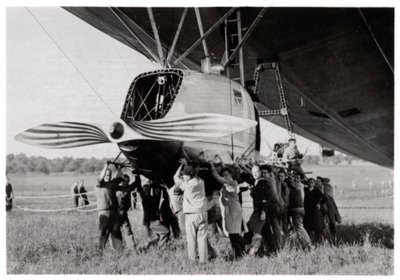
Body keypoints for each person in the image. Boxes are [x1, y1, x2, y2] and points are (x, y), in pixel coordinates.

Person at [210, 162, 247, 259]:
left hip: (233, 208)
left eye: (226, 175)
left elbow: (217, 177)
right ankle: (238, 254)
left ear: (231, 175)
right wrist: (223, 165)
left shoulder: (232, 182)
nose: (224, 176)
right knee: (232, 234)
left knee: (233, 234)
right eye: (224, 175)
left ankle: (247, 244)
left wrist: (212, 166)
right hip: (231, 208)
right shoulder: (229, 182)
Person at [174, 163, 209, 263]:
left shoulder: (186, 185)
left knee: (191, 239)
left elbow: (175, 177)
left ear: (189, 175)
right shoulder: (201, 181)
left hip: (191, 215)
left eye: (184, 174)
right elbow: (194, 174)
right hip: (203, 213)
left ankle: (193, 261)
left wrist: (180, 165)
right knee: (202, 239)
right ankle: (203, 261)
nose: (183, 176)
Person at [246, 164, 281, 256]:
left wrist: (263, 211)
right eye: (253, 172)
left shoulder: (263, 182)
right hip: (261, 210)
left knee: (255, 230)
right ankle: (271, 251)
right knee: (266, 231)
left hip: (263, 210)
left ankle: (254, 251)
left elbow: (264, 199)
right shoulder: (259, 181)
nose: (255, 174)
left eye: (257, 172)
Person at [96, 163, 125, 251]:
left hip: (114, 212)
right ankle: (100, 251)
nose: (108, 176)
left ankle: (119, 252)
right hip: (104, 212)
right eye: (106, 175)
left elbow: (121, 177)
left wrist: (118, 168)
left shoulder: (112, 184)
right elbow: (101, 177)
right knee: (104, 232)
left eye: (109, 175)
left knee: (116, 232)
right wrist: (106, 166)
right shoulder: (100, 184)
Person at [136, 178, 170, 250]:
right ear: (143, 189)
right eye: (145, 188)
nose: (146, 189)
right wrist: (136, 175)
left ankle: (147, 246)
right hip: (151, 221)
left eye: (148, 187)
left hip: (153, 220)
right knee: (165, 232)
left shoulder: (153, 198)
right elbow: (138, 185)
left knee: (159, 236)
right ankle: (160, 248)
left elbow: (157, 191)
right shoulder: (143, 198)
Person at [287, 172, 311, 250]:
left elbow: (292, 184)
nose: (296, 179)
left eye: (297, 178)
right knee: (297, 227)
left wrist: (289, 178)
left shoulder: (298, 185)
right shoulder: (300, 186)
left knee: (299, 227)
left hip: (297, 208)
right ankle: (300, 244)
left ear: (301, 179)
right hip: (299, 209)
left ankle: (308, 243)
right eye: (295, 177)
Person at [116, 173, 139, 249]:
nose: (126, 183)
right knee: (116, 232)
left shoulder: (128, 188)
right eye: (124, 181)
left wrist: (136, 173)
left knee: (128, 231)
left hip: (123, 213)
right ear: (121, 182)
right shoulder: (116, 188)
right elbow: (115, 180)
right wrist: (118, 171)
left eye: (128, 181)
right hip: (115, 213)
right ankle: (118, 249)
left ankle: (132, 248)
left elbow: (137, 182)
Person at [303, 178, 327, 245]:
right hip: (307, 211)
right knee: (308, 227)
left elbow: (324, 198)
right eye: (309, 182)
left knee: (317, 227)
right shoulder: (305, 190)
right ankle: (309, 242)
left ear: (314, 183)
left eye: (312, 182)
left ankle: (317, 242)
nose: (311, 183)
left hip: (315, 211)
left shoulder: (316, 190)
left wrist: (319, 204)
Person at [277, 169, 290, 237]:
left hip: (284, 208)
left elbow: (286, 197)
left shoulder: (286, 186)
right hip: (277, 207)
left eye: (282, 176)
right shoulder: (276, 185)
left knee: (285, 224)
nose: (280, 178)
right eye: (279, 176)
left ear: (285, 177)